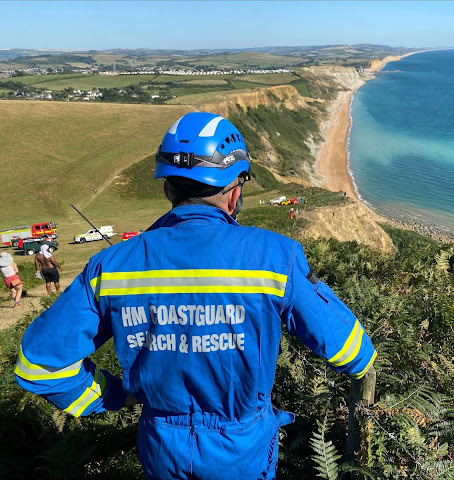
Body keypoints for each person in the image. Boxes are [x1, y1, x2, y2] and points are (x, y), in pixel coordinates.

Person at [15, 112, 376, 480]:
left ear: (167, 190)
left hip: (161, 451)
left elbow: (37, 365)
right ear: (234, 192)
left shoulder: (110, 266)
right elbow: (352, 350)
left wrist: (114, 395)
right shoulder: (275, 257)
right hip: (242, 451)